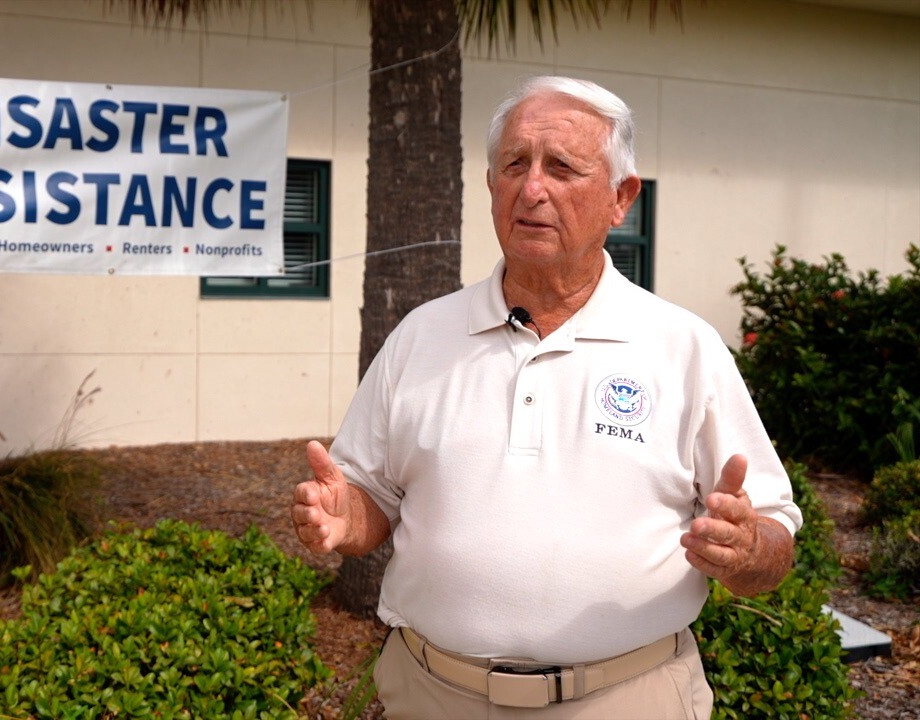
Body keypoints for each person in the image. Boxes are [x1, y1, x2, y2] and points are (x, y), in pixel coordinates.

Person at [290, 76, 802, 719]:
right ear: (490, 186)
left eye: (562, 167)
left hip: (626, 700)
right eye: (514, 165)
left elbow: (775, 533)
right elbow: (372, 501)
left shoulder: (684, 348)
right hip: (430, 696)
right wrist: (344, 515)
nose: (532, 189)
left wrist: (748, 548)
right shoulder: (421, 337)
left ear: (621, 198)